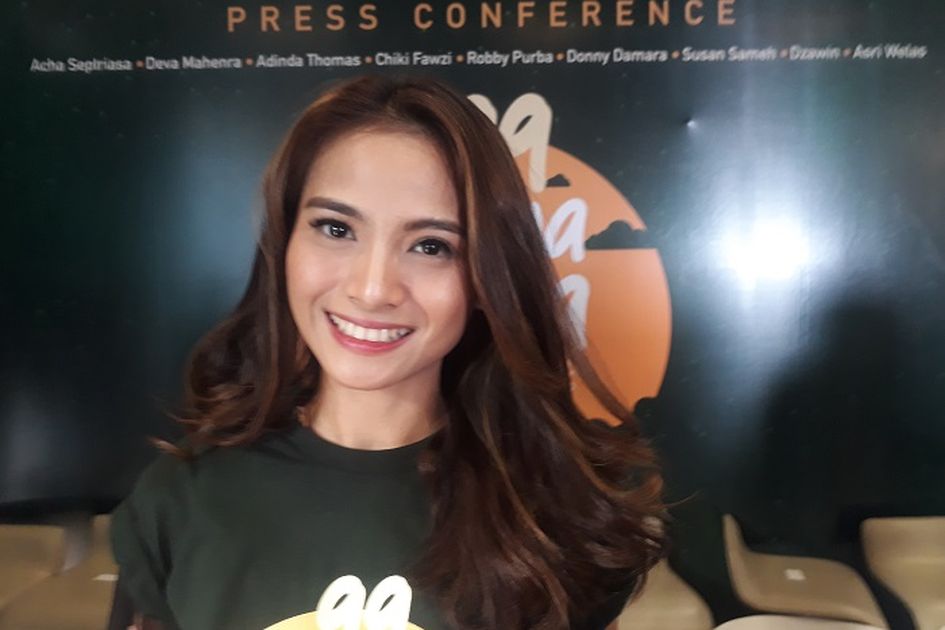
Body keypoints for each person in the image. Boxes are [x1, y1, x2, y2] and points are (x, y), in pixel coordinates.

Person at [110, 74, 666, 630]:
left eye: (431, 246)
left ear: (486, 278)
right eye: (335, 228)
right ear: (284, 244)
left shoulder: (559, 511)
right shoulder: (179, 501)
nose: (373, 289)